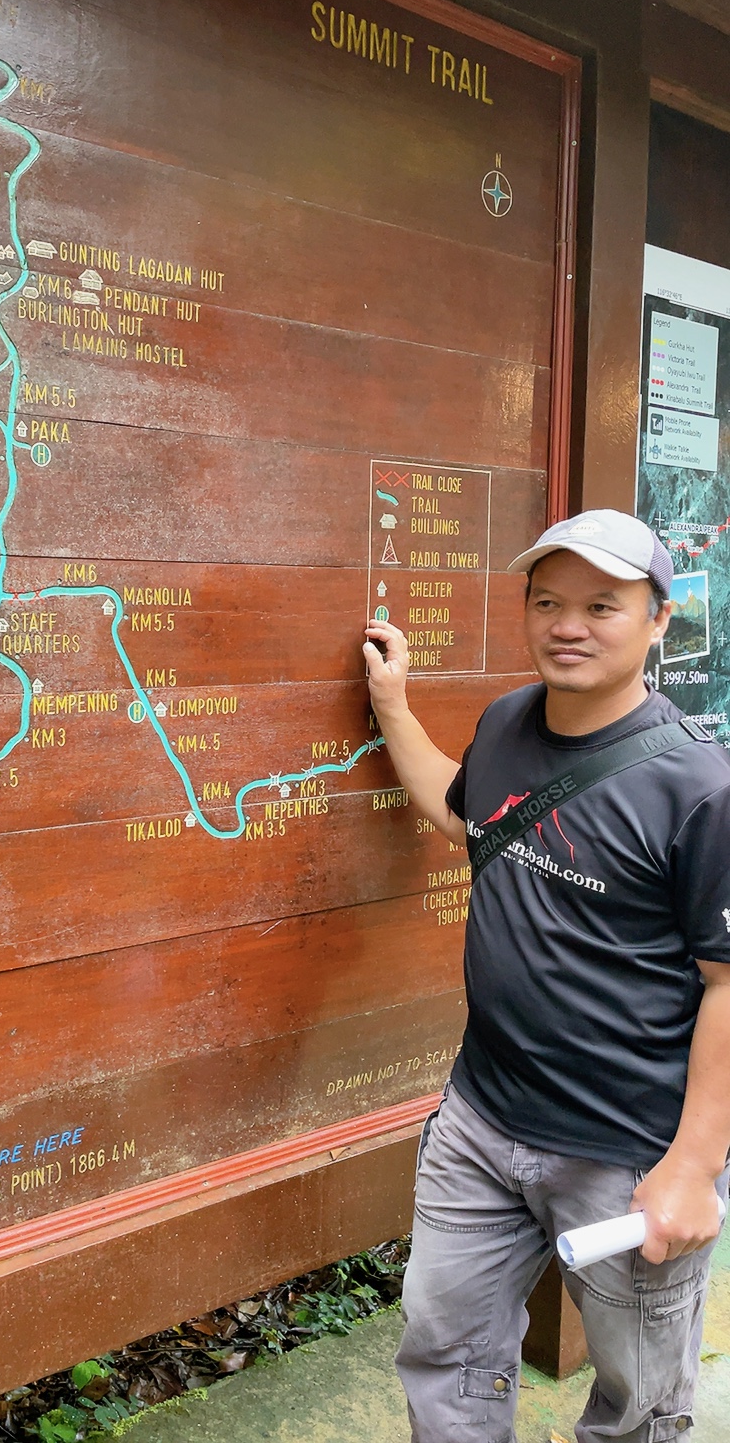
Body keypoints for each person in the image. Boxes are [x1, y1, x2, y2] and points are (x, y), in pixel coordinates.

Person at [363, 508, 730, 1443]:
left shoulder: (703, 790)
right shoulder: (507, 721)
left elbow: (729, 984)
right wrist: (394, 705)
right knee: (444, 1357)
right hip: (482, 1121)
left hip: (625, 1152)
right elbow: (466, 819)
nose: (569, 625)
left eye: (602, 606)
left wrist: (694, 1168)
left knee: (638, 1406)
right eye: (548, 602)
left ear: (659, 619)